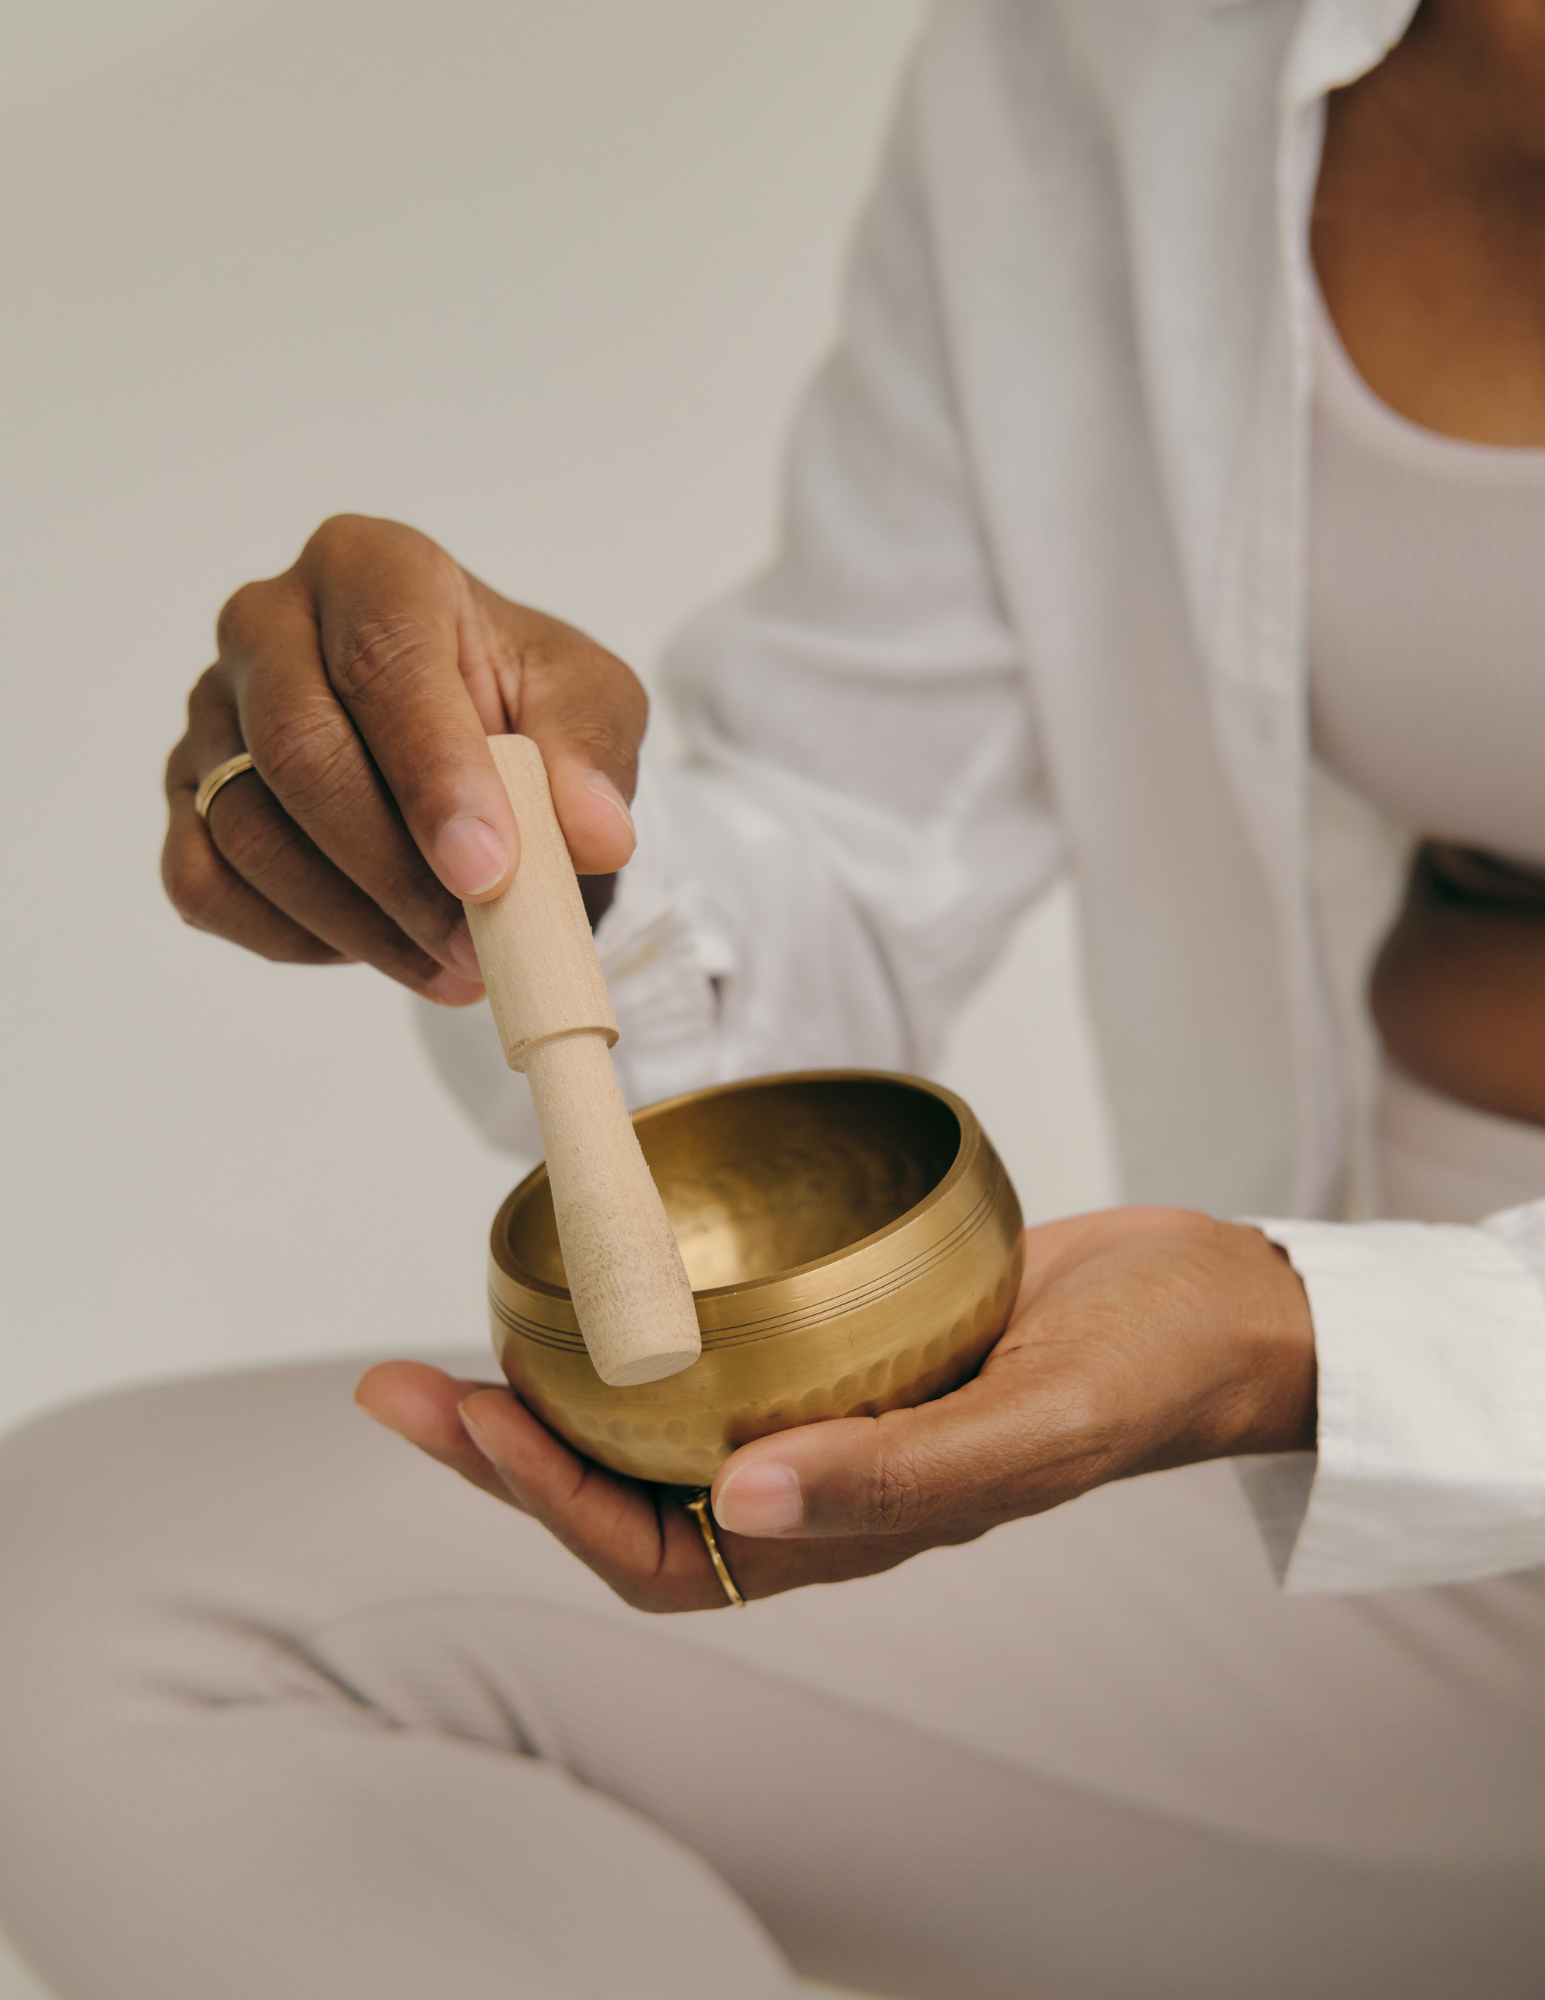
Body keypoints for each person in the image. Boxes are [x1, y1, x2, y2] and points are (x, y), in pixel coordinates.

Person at [4, 0, 1545, 1993]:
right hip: (1397, 1534)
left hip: (1378, 1372)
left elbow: (1300, 1340)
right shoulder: (1119, 42)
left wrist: (1303, 1338)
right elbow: (851, 827)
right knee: (99, 1601)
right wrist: (527, 849)